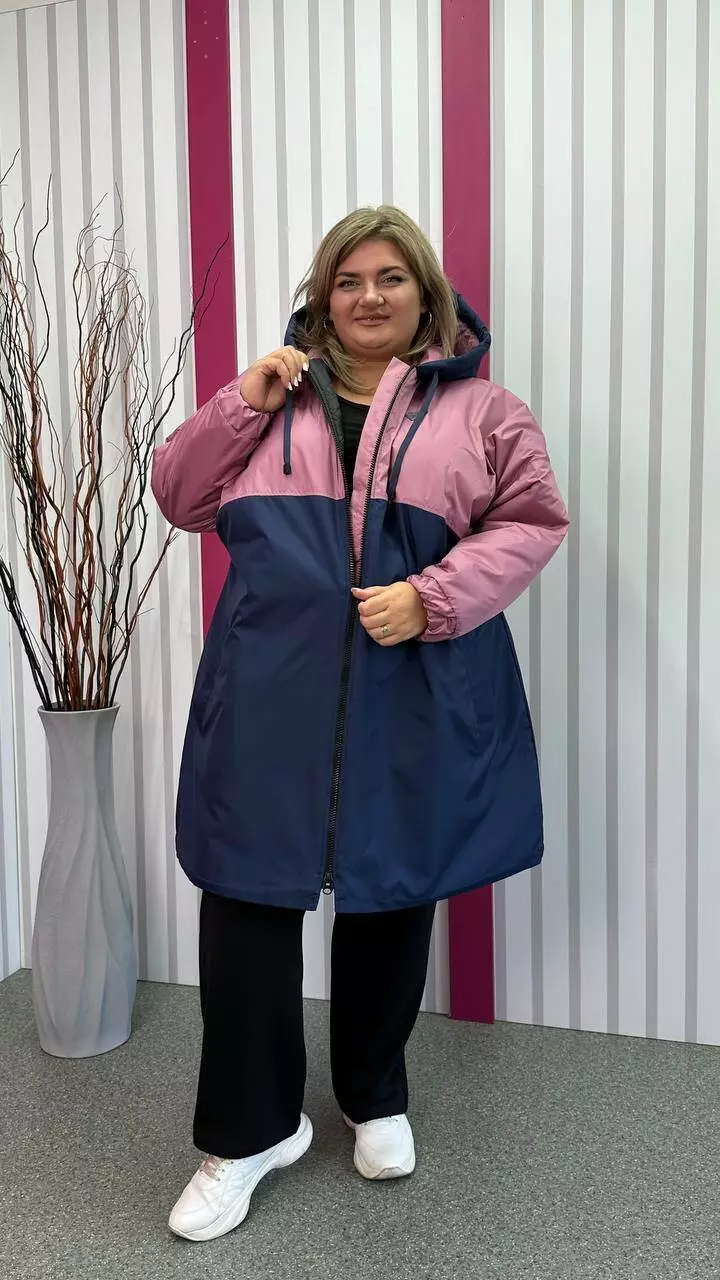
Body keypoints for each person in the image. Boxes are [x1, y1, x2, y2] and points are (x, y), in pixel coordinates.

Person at [151, 205, 568, 1242]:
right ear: (322, 296)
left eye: (390, 277)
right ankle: (249, 1132)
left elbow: (531, 519)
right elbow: (179, 495)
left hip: (413, 687)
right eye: (348, 279)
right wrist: (236, 404)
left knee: (390, 890)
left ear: (426, 295)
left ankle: (374, 1093)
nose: (368, 296)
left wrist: (433, 595)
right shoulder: (270, 397)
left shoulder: (485, 411)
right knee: (246, 903)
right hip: (268, 696)